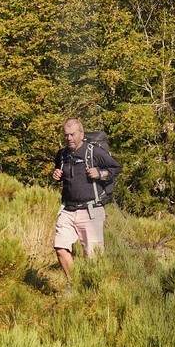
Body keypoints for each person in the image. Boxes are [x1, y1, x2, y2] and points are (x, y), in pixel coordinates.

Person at [51, 118, 120, 281]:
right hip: (67, 210)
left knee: (93, 258)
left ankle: (93, 289)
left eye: (72, 134)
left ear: (81, 134)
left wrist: (101, 173)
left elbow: (116, 167)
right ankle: (74, 282)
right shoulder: (61, 155)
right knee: (60, 246)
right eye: (66, 135)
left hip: (90, 211)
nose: (69, 138)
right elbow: (61, 174)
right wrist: (56, 175)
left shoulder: (93, 152)